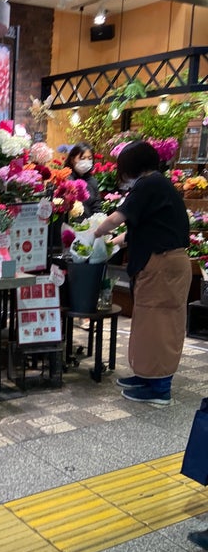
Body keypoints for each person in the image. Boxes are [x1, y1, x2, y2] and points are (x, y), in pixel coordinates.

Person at [93, 140, 191, 405]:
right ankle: (146, 377)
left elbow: (118, 218)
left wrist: (94, 233)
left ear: (131, 166)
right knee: (148, 324)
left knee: (159, 327)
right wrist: (113, 242)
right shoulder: (157, 185)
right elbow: (139, 228)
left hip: (163, 266)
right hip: (161, 265)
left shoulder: (149, 184)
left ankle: (159, 388)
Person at [64, 142, 102, 218]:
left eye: (90, 158)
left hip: (88, 226)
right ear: (72, 159)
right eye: (82, 158)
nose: (86, 161)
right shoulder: (66, 180)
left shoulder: (93, 181)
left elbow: (97, 207)